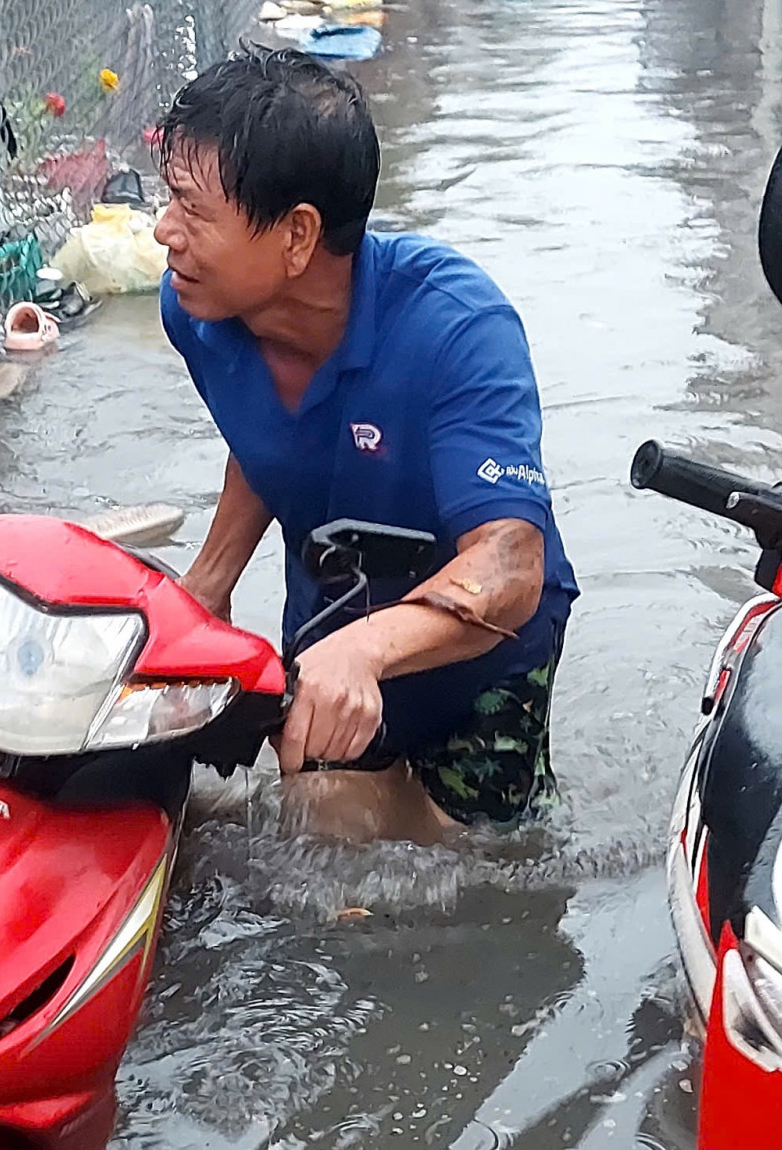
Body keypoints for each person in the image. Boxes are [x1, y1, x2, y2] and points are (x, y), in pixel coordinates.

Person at [153, 46, 576, 832]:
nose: (163, 232)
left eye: (193, 210)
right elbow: (267, 434)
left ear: (296, 236)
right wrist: (203, 592)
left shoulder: (458, 328)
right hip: (331, 620)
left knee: (479, 868)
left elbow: (512, 564)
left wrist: (367, 651)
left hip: (476, 652)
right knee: (323, 828)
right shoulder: (196, 312)